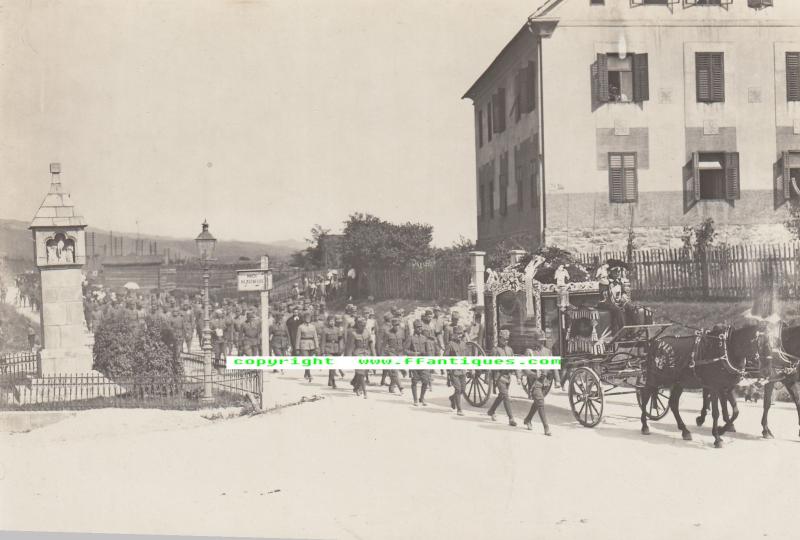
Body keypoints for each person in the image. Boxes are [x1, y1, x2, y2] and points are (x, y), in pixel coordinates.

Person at [521, 332, 552, 435]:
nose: (541, 343)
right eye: (539, 341)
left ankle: (528, 419)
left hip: (545, 383)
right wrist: (534, 375)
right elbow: (525, 370)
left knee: (538, 402)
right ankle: (546, 427)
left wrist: (552, 376)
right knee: (540, 402)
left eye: (543, 341)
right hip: (534, 383)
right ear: (535, 341)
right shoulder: (530, 352)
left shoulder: (548, 351)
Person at [487, 329, 519, 427]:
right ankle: (511, 418)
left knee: (501, 396)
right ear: (500, 339)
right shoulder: (495, 350)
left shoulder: (510, 350)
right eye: (504, 339)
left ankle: (491, 411)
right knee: (505, 396)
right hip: (499, 376)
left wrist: (518, 376)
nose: (506, 341)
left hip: (508, 376)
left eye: (507, 339)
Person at [405, 319, 433, 406]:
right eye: (418, 327)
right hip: (414, 362)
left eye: (421, 327)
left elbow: (428, 351)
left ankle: (422, 397)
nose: (420, 328)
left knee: (425, 381)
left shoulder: (424, 338)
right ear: (414, 328)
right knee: (414, 381)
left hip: (424, 362)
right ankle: (415, 399)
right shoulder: (411, 338)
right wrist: (414, 354)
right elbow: (405, 350)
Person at [346, 316, 373, 398]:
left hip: (366, 354)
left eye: (364, 325)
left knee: (364, 373)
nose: (363, 327)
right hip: (357, 354)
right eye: (361, 325)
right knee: (361, 373)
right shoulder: (353, 333)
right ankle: (365, 392)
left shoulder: (367, 332)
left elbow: (371, 344)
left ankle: (356, 386)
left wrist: (374, 355)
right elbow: (350, 347)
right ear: (358, 325)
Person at [445, 325, 468, 416]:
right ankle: (459, 409)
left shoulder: (463, 344)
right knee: (458, 389)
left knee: (463, 389)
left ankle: (452, 398)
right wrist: (448, 372)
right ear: (454, 334)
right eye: (457, 333)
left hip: (462, 370)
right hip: (454, 371)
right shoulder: (450, 344)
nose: (459, 335)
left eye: (461, 333)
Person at [379, 317, 405, 395]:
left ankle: (391, 386)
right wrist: (382, 356)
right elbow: (383, 346)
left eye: (398, 325)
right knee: (394, 371)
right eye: (395, 325)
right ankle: (401, 388)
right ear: (392, 325)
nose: (396, 326)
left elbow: (403, 343)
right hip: (391, 354)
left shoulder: (401, 332)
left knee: (396, 372)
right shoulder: (388, 333)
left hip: (399, 354)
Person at [321, 315, 344, 388]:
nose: (332, 323)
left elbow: (340, 339)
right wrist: (322, 351)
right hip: (328, 348)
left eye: (333, 321)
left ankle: (330, 379)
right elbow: (323, 341)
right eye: (330, 321)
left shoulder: (337, 329)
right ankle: (333, 380)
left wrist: (341, 349)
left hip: (336, 348)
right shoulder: (325, 330)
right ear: (328, 322)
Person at [296, 312, 319, 382]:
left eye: (309, 317)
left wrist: (317, 346)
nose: (307, 319)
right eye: (306, 317)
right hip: (303, 344)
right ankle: (309, 374)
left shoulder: (313, 326)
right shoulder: (300, 327)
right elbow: (298, 337)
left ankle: (306, 372)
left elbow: (315, 337)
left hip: (311, 345)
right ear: (303, 318)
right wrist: (297, 348)